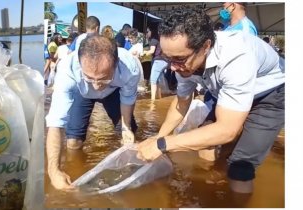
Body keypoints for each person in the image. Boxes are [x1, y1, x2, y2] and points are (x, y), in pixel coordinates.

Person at [137, 6, 284, 194]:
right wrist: (160, 136)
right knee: (205, 140)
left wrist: (163, 145)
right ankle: (210, 184)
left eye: (179, 59)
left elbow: (227, 130)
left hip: (269, 94)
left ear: (206, 46)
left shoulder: (236, 55)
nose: (173, 67)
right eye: (168, 58)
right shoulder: (183, 61)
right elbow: (182, 102)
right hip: (227, 89)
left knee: (240, 169)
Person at [46, 35, 141, 190]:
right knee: (73, 143)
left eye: (103, 78)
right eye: (90, 78)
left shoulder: (130, 68)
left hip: (113, 93)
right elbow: (56, 121)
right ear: (79, 63)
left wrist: (126, 127)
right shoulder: (67, 69)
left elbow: (127, 99)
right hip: (82, 93)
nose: (96, 86)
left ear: (116, 64)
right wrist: (53, 170)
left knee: (129, 135)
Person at [143, 26, 169, 100]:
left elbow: (151, 51)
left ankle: (152, 100)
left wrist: (143, 53)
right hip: (165, 61)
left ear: (152, 31)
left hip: (158, 61)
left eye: (147, 32)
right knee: (158, 80)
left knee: (153, 80)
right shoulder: (160, 38)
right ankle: (159, 96)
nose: (146, 34)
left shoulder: (153, 39)